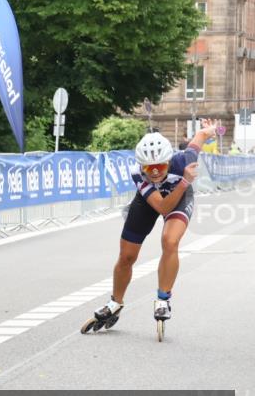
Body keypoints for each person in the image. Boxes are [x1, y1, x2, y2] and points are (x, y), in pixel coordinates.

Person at [86, 118, 219, 332]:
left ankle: (163, 299)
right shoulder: (138, 173)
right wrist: (184, 181)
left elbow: (200, 137)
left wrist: (210, 129)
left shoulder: (184, 160)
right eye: (149, 167)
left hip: (180, 198)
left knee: (169, 241)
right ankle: (115, 303)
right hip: (155, 201)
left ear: (168, 161)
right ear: (142, 165)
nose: (155, 171)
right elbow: (163, 207)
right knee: (127, 256)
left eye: (160, 166)